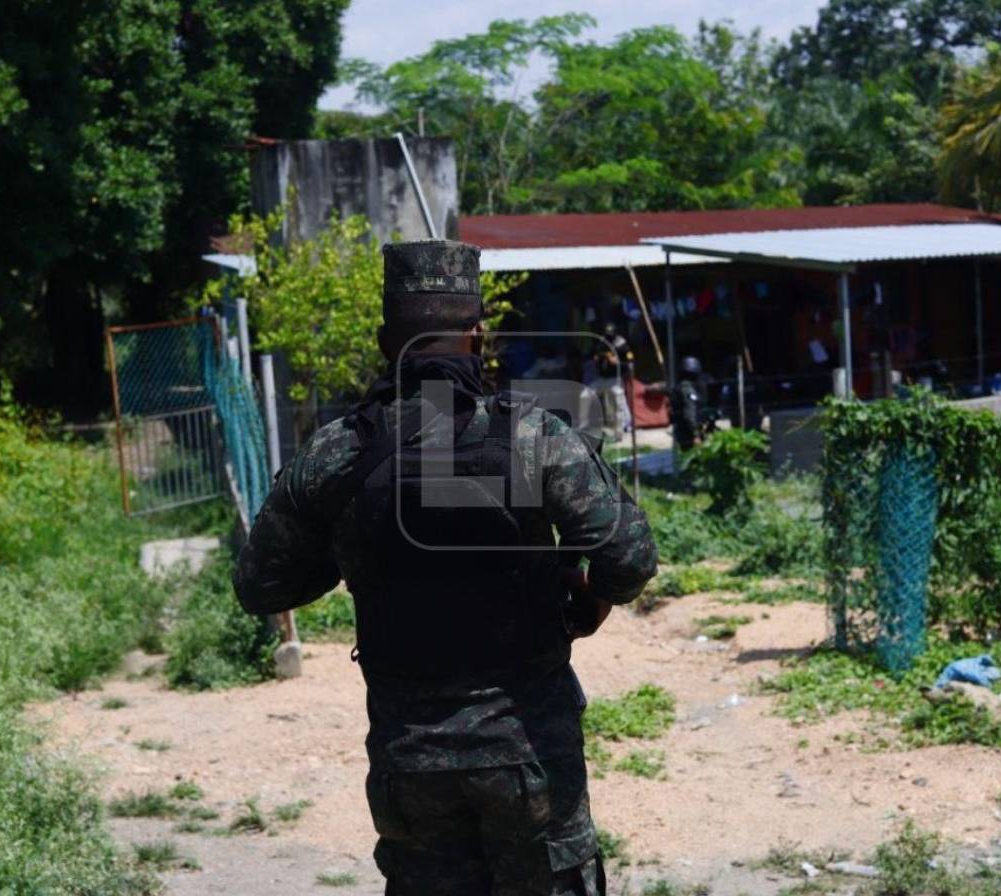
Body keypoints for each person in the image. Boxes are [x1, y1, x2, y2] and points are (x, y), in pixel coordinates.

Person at [233, 240, 658, 896]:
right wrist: (585, 602)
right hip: (530, 753)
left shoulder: (338, 453)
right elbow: (628, 559)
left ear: (384, 340)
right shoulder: (532, 438)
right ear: (479, 334)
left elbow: (261, 585)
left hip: (411, 762)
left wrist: (352, 553)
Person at [670, 356, 703, 452]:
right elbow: (689, 415)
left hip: (681, 432)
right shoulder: (688, 390)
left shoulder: (678, 388)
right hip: (688, 434)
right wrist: (695, 434)